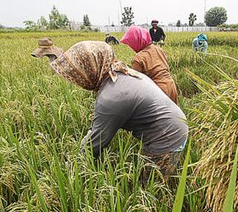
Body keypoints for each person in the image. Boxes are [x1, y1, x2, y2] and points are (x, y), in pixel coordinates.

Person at [32, 39, 188, 180]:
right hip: (176, 124)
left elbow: (95, 144)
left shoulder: (111, 97)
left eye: (79, 74)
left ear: (91, 70)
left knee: (149, 186)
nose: (77, 80)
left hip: (167, 138)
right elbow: (98, 128)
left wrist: (72, 169)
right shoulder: (123, 72)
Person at [121, 25, 179, 104]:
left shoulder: (138, 59)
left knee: (159, 116)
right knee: (174, 115)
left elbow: (136, 83)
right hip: (171, 86)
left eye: (131, 44)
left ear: (136, 41)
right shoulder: (159, 49)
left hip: (158, 91)